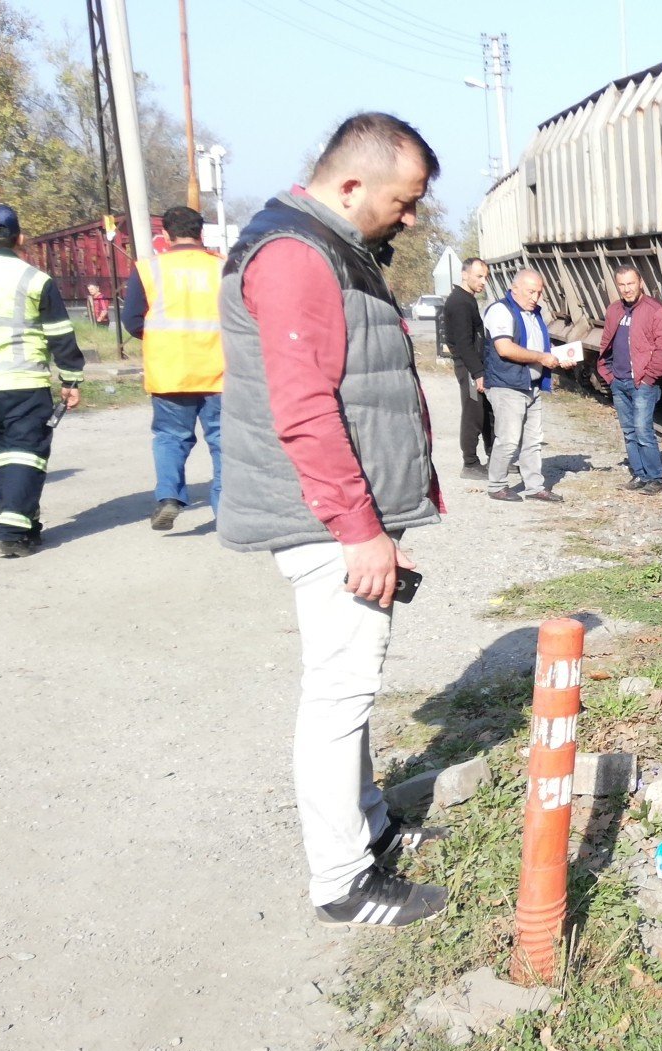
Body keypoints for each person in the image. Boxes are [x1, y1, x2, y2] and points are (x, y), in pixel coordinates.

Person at [217, 113, 449, 928]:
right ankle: (344, 881)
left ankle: (370, 827)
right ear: (352, 185)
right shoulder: (295, 255)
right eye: (405, 198)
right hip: (328, 523)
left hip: (338, 517)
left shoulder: (323, 245)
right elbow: (306, 407)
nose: (411, 216)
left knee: (351, 686)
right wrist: (358, 527)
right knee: (340, 695)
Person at [0, 204, 84, 558]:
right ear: (20, 238)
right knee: (27, 454)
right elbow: (58, 333)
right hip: (22, 380)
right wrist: (72, 379)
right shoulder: (34, 280)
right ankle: (10, 531)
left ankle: (26, 523)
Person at [121, 205, 225, 531]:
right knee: (224, 441)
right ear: (201, 233)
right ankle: (226, 511)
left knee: (170, 437)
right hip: (219, 370)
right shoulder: (224, 268)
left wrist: (159, 340)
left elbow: (132, 320)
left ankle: (169, 497)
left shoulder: (148, 269)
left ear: (165, 235)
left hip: (169, 370)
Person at [481, 267, 569, 503]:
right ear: (515, 288)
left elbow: (539, 347)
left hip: (532, 386)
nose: (535, 297)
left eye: (538, 293)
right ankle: (497, 484)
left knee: (533, 441)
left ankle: (534, 487)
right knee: (508, 440)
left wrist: (557, 359)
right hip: (508, 385)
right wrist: (541, 358)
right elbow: (505, 348)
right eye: (530, 292)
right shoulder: (501, 311)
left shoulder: (534, 313)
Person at [597, 266, 662, 494]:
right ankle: (640, 475)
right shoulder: (614, 310)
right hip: (618, 381)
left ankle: (655, 479)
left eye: (630, 283)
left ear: (640, 283)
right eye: (622, 285)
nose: (627, 289)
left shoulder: (656, 310)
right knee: (629, 432)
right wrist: (607, 374)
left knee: (643, 431)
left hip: (641, 383)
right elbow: (606, 343)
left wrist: (649, 378)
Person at [441, 257, 493, 480]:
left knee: (488, 411)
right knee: (474, 411)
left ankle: (496, 457)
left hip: (477, 364)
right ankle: (470, 463)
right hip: (469, 367)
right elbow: (463, 342)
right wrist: (477, 372)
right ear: (464, 274)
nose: (483, 282)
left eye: (485, 277)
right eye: (479, 276)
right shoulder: (459, 302)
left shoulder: (467, 299)